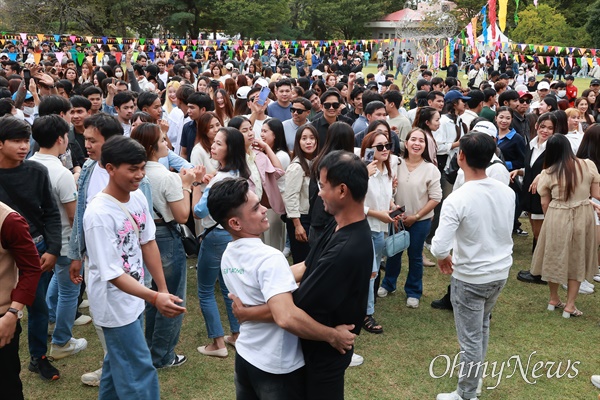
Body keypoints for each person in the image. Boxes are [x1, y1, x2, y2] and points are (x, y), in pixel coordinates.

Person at [208, 177, 356, 400]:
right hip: (275, 365)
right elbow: (285, 316)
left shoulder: (229, 253)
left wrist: (317, 264)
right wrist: (332, 336)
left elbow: (278, 279)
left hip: (246, 356)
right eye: (256, 208)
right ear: (235, 223)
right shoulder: (270, 258)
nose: (264, 209)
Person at [80, 135, 186, 399]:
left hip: (135, 297)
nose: (139, 175)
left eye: (141, 168)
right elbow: (113, 273)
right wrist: (154, 296)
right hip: (115, 304)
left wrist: (161, 289)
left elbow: (148, 242)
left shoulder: (137, 196)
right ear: (110, 168)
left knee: (116, 366)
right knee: (139, 371)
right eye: (132, 169)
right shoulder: (98, 215)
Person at [432, 133, 515, 400]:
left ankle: (466, 393)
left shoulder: (458, 198)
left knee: (471, 338)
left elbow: (439, 246)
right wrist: (444, 255)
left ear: (461, 157)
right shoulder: (506, 190)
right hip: (498, 272)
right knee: (480, 329)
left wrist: (443, 256)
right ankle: (473, 381)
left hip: (472, 277)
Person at [131, 123, 200, 368]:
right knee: (171, 295)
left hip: (142, 235)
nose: (167, 144)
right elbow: (182, 215)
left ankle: (151, 348)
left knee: (153, 293)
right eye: (162, 140)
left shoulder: (134, 173)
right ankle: (162, 355)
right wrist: (187, 184)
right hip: (164, 234)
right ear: (151, 147)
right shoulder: (165, 176)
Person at [0, 116, 62, 381]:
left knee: (38, 306)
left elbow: (50, 212)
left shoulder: (37, 171)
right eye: (16, 141)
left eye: (26, 141)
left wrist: (53, 248)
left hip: (36, 250)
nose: (24, 146)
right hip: (3, 254)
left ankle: (38, 357)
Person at [29, 116, 87, 360]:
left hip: (39, 241)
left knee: (57, 283)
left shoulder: (28, 164)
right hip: (63, 241)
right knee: (69, 291)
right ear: (60, 139)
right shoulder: (61, 173)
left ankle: (53, 319)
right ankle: (62, 340)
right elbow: (73, 217)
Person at [530, 134, 600, 318]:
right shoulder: (588, 165)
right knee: (577, 257)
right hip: (583, 214)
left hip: (556, 215)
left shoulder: (547, 173)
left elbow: (545, 203)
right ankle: (570, 305)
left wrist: (551, 218)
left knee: (554, 255)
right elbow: (596, 193)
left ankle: (554, 299)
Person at [193, 127, 249, 357]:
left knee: (205, 290)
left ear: (230, 149)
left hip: (215, 236)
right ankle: (236, 335)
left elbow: (198, 211)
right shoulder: (239, 173)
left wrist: (197, 185)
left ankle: (217, 343)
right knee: (228, 287)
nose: (213, 147)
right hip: (232, 234)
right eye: (213, 143)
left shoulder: (219, 179)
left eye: (218, 144)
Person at [378, 128, 442, 308]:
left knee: (415, 255)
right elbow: (386, 189)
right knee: (393, 252)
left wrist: (416, 216)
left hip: (419, 220)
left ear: (425, 145)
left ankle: (413, 291)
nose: (417, 143)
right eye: (413, 139)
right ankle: (388, 284)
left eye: (421, 141)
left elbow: (436, 197)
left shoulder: (431, 169)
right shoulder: (395, 163)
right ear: (406, 143)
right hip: (396, 219)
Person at [0, 201, 42, 400]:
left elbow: (32, 269)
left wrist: (12, 313)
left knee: (6, 387)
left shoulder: (8, 220)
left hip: (2, 319)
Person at [360, 130, 399, 331]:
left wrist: (392, 206)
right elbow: (355, 205)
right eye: (380, 146)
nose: (385, 150)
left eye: (387, 145)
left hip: (380, 230)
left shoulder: (387, 170)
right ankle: (366, 315)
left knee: (371, 274)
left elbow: (385, 197)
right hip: (364, 230)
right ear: (368, 149)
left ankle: (365, 312)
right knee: (369, 274)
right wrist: (379, 214)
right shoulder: (363, 172)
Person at [284, 124, 319, 263]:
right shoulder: (296, 167)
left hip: (313, 218)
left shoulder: (315, 162)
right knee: (303, 263)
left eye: (312, 138)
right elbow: (290, 197)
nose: (308, 142)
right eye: (304, 138)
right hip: (300, 219)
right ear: (298, 142)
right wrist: (297, 225)